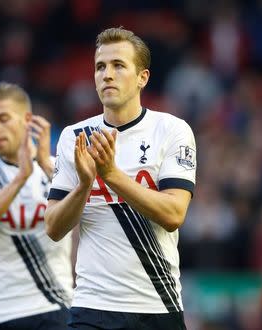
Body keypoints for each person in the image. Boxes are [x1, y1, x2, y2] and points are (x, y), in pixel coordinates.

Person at [45, 27, 196, 330]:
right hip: (92, 308)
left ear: (143, 77)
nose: (107, 75)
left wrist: (111, 175)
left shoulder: (171, 131)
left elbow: (173, 214)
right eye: (100, 67)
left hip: (156, 305)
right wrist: (85, 186)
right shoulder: (75, 137)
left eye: (118, 65)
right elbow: (53, 227)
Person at [0, 82, 73, 329]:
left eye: (3, 118)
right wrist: (20, 178)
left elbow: (87, 207)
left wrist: (43, 165)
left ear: (27, 119)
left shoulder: (58, 168)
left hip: (53, 306)